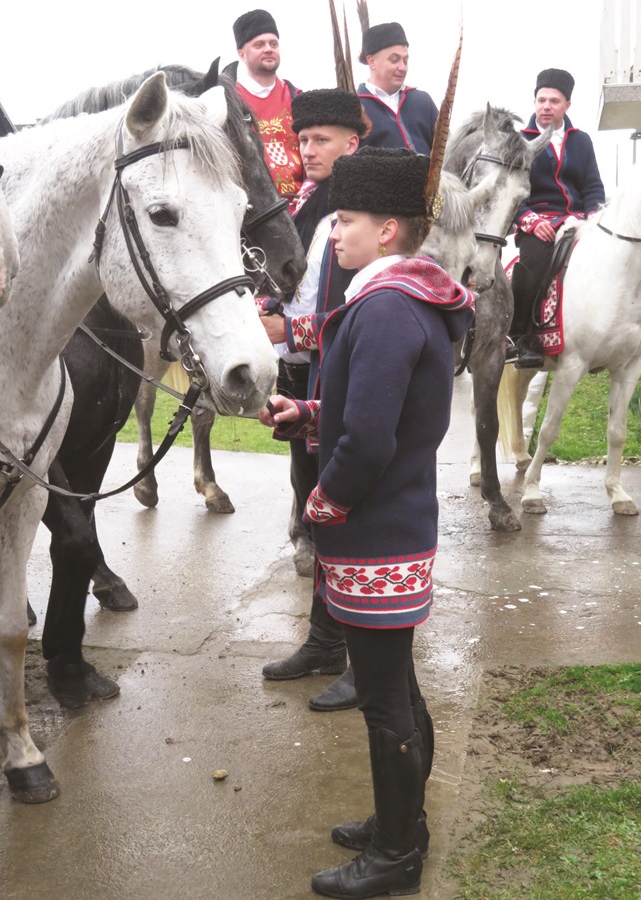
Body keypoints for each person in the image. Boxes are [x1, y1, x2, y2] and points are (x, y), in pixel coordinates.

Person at [259, 146, 475, 899]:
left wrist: (325, 501)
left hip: (375, 532)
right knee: (399, 691)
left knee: (386, 702)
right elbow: (368, 409)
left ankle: (394, 855)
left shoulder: (384, 305)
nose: (335, 234)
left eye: (345, 221)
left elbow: (372, 439)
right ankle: (400, 820)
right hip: (395, 527)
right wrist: (308, 411)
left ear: (389, 230)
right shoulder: (404, 298)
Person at [259, 88, 367, 714]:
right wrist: (270, 309)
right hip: (305, 377)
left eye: (320, 139)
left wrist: (292, 330)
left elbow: (365, 311)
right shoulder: (309, 205)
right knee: (313, 503)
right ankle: (326, 640)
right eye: (302, 140)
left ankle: (363, 649)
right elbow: (297, 283)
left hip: (345, 374)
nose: (307, 149)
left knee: (350, 513)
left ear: (353, 143)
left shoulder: (365, 214)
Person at [510, 67, 606, 367]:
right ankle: (519, 337)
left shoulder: (581, 141)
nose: (546, 107)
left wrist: (594, 220)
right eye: (541, 100)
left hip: (578, 221)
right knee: (533, 262)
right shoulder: (518, 141)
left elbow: (592, 187)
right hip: (538, 221)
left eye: (553, 101)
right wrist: (530, 222)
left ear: (567, 105)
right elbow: (509, 191)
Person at [224, 9, 304, 205]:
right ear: (241, 54)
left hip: (301, 206)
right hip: (257, 215)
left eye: (273, 43)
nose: (269, 49)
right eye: (259, 45)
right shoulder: (229, 101)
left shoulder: (298, 97)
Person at [356, 22, 438, 154]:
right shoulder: (355, 107)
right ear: (371, 61)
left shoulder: (423, 101)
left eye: (405, 60)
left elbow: (448, 152)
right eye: (394, 60)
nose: (402, 67)